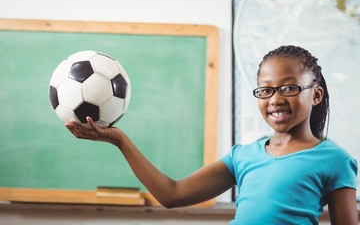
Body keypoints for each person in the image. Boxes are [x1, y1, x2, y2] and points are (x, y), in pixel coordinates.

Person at [65, 45, 358, 224]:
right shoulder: (242, 156)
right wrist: (120, 140)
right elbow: (172, 194)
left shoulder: (334, 160)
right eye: (266, 90)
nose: (275, 99)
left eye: (289, 88)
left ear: (316, 94)